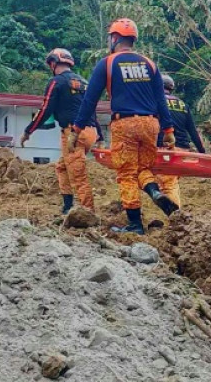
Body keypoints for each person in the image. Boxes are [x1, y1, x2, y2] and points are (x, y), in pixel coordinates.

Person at [72, 18, 177, 234]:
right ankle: (154, 191)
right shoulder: (150, 64)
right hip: (150, 123)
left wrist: (77, 129)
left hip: (125, 123)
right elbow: (161, 100)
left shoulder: (108, 63)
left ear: (115, 38)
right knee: (143, 168)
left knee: (126, 173)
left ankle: (135, 225)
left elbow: (89, 100)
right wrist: (169, 131)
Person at [21, 48, 102, 213]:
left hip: (73, 134)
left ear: (53, 63)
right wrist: (99, 134)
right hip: (91, 132)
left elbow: (45, 109)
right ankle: (67, 206)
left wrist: (28, 131)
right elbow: (91, 109)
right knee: (62, 167)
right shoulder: (84, 82)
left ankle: (88, 212)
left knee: (78, 175)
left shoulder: (56, 82)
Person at [156, 74, 205, 207]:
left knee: (167, 184)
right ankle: (172, 213)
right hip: (182, 150)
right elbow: (193, 131)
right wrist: (202, 152)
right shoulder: (183, 105)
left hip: (165, 148)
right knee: (170, 181)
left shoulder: (155, 102)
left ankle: (176, 215)